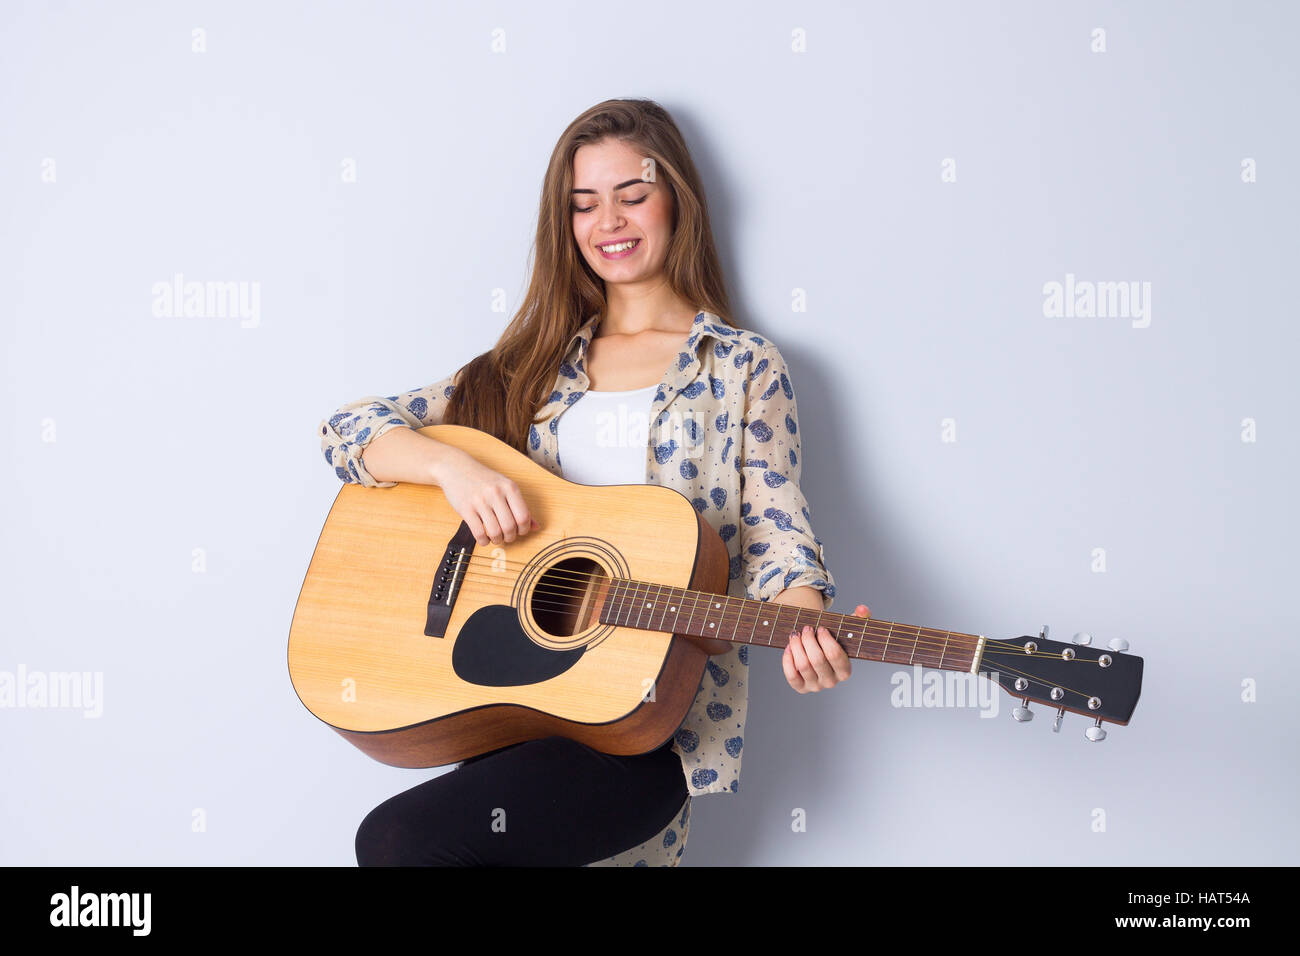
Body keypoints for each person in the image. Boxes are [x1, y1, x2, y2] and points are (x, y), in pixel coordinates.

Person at [318, 98, 868, 867]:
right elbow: (347, 432)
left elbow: (778, 530)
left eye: (632, 194)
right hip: (515, 709)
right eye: (584, 203)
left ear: (678, 199)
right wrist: (454, 467)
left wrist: (804, 620)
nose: (608, 219)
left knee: (400, 843)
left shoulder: (742, 365)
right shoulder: (529, 366)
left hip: (647, 735)